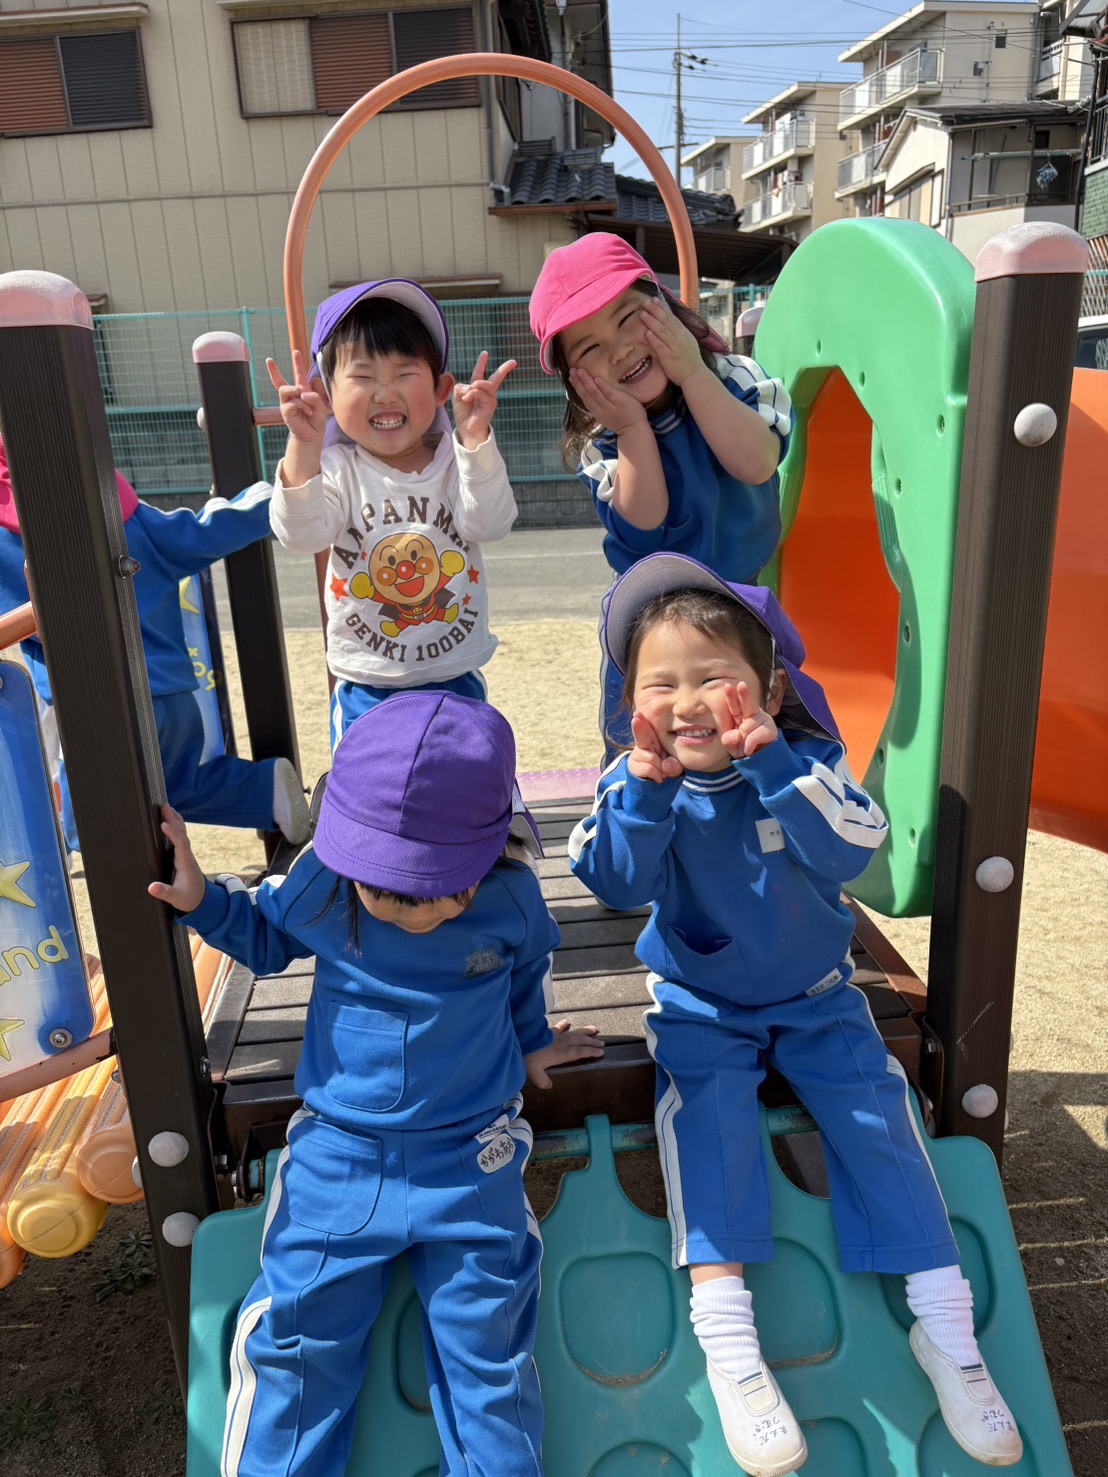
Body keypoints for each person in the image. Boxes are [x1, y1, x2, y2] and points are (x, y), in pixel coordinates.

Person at [567, 552, 1022, 1476]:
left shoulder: (807, 762)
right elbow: (612, 879)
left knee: (879, 1115)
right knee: (710, 1123)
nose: (689, 702)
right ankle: (731, 1347)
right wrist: (647, 793)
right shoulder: (633, 783)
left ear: (770, 688)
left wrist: (772, 763)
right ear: (631, 704)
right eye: (661, 684)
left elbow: (853, 847)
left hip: (816, 996)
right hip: (701, 1004)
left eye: (714, 677)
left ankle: (946, 1328)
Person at [148, 691, 604, 1477]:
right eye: (387, 890)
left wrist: (533, 1043)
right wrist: (202, 901)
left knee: (490, 1353)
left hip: (473, 1157)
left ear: (489, 851)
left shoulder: (511, 897)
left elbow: (525, 973)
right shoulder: (328, 881)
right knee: (297, 1340)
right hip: (340, 1157)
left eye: (438, 890)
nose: (411, 912)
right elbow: (264, 934)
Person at [528, 233, 793, 759]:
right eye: (589, 348)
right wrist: (632, 429)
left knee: (750, 732)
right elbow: (644, 523)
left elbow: (757, 462)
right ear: (574, 383)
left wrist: (692, 373)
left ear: (665, 306)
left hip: (740, 597)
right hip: (652, 618)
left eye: (629, 318)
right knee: (644, 745)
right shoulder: (602, 442)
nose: (620, 349)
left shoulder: (731, 379)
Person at [0, 437, 310, 856]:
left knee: (89, 827)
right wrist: (267, 500)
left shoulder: (10, 545)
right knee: (177, 784)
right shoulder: (129, 520)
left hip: (94, 708)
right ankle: (264, 791)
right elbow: (201, 534)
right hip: (173, 695)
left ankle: (144, 888)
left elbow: (15, 621)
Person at [266, 279, 519, 752]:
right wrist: (304, 444)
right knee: (367, 788)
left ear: (441, 388)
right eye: (363, 377)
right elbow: (301, 534)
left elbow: (491, 523)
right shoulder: (337, 469)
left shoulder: (457, 460)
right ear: (326, 394)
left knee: (466, 777)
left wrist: (475, 440)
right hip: (367, 683)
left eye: (404, 374)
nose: (384, 394)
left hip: (454, 676)